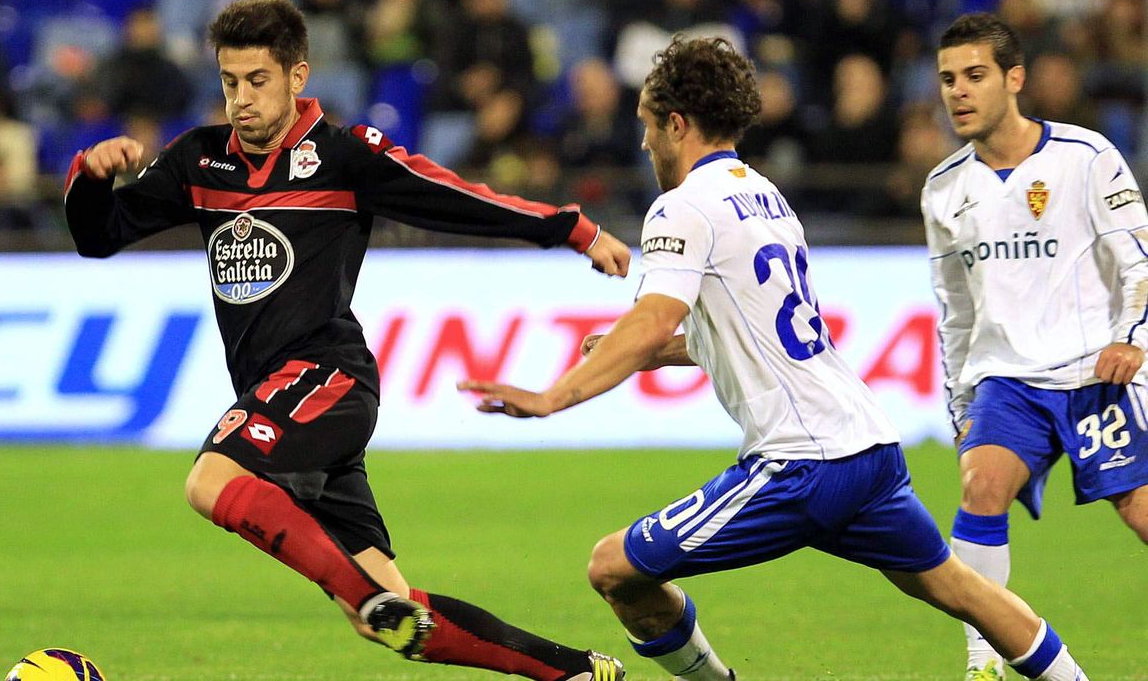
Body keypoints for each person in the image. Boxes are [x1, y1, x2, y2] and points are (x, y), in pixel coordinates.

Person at [460, 35, 1092, 681]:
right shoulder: (766, 195)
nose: (645, 144)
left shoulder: (680, 207)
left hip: (800, 464)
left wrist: (552, 396)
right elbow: (750, 330)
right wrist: (659, 355)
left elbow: (651, 319)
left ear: (677, 124)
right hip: (867, 446)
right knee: (961, 589)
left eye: (648, 126)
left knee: (614, 569)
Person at [63, 0, 630, 681]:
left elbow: (450, 197)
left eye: (258, 80)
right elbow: (99, 236)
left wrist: (570, 227)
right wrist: (91, 178)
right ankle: (576, 671)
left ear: (297, 76)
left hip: (326, 376)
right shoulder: (199, 161)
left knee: (213, 479)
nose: (241, 99)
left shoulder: (342, 156)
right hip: (277, 396)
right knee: (390, 614)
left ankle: (367, 597)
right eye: (230, 82)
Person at [923, 12, 1148, 681]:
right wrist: (959, 405)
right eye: (948, 79)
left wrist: (1129, 338)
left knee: (1141, 512)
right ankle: (982, 664)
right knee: (980, 487)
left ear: (1014, 79)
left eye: (975, 75)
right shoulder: (943, 188)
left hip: (1095, 374)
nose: (959, 91)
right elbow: (955, 311)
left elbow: (1138, 262)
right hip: (1008, 382)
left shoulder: (1086, 157)